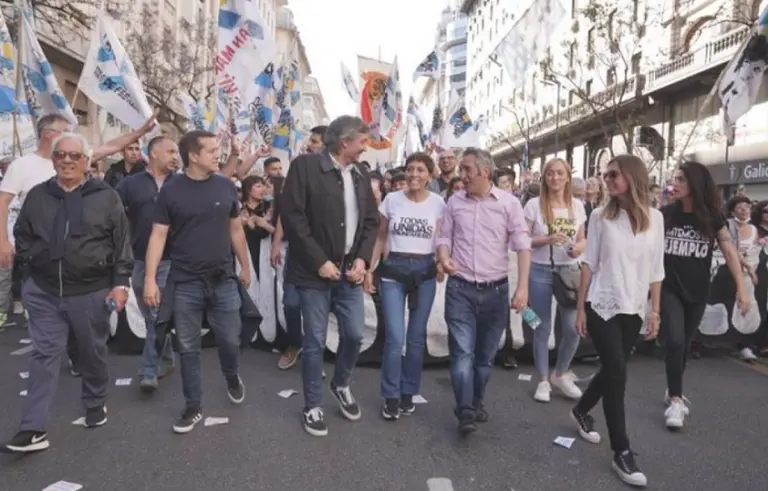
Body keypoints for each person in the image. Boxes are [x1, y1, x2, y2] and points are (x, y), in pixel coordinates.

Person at [0, 133, 133, 453]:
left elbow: (121, 242)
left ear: (87, 161)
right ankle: (32, 428)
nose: (67, 161)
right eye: (61, 154)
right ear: (54, 159)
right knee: (44, 354)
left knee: (91, 352)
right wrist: (31, 273)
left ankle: (95, 400)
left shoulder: (106, 196)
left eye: (75, 155)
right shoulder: (37, 196)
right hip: (44, 291)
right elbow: (23, 233)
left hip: (90, 291)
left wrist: (120, 282)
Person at [0, 113, 155, 374]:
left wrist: (139, 132)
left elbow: (113, 146)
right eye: (65, 130)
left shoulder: (76, 157)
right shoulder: (22, 166)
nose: (69, 160)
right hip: (39, 258)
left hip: (80, 256)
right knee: (47, 327)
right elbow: (3, 201)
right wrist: (4, 241)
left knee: (78, 318)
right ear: (49, 134)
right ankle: (47, 371)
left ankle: (78, 358)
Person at [143, 130, 251, 434]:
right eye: (213, 150)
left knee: (230, 339)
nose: (219, 154)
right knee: (188, 346)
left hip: (224, 279)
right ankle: (193, 405)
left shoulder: (226, 186)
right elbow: (158, 234)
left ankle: (231, 375)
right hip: (185, 281)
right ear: (194, 155)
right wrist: (151, 280)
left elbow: (236, 230)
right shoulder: (171, 190)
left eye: (218, 149)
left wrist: (245, 265)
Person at [280, 116, 379, 437]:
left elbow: (371, 222)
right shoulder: (305, 167)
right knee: (314, 341)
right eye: (363, 141)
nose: (367, 147)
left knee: (353, 335)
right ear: (344, 142)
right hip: (313, 274)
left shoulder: (362, 174)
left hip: (349, 272)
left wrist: (363, 259)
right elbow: (293, 218)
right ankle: (312, 405)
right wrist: (319, 260)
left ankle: (340, 383)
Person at [570, 154, 665, 487]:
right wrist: (581, 308)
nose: (607, 180)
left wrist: (655, 309)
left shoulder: (655, 218)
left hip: (634, 307)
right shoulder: (599, 216)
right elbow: (589, 262)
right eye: (605, 175)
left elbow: (656, 269)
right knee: (618, 375)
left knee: (613, 370)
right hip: (602, 304)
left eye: (613, 175)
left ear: (632, 177)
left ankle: (581, 409)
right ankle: (621, 451)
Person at [436, 148, 531, 435]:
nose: (461, 175)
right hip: (460, 289)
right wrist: (443, 256)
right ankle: (465, 410)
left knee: (484, 358)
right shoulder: (454, 202)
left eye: (466, 169)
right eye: (461, 170)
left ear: (484, 172)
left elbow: (523, 245)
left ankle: (476, 401)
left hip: (496, 292)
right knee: (462, 353)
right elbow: (444, 236)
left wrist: (522, 287)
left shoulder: (509, 204)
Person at [659, 162, 750, 432]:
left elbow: (730, 252)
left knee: (684, 343)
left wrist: (742, 290)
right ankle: (676, 400)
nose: (675, 183)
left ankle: (672, 388)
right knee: (674, 340)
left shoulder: (712, 216)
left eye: (682, 180)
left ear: (696, 184)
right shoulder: (666, 214)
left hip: (698, 290)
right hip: (669, 288)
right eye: (675, 178)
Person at [365, 152, 445, 421]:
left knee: (415, 338)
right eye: (410, 169)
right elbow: (380, 237)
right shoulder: (391, 200)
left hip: (425, 271)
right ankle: (390, 396)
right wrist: (369, 269)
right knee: (395, 337)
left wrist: (443, 262)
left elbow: (443, 239)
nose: (414, 175)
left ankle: (408, 391)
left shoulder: (438, 203)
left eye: (421, 170)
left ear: (429, 175)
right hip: (394, 271)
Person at [116, 136, 179, 393]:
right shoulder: (130, 184)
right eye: (171, 151)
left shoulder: (183, 183)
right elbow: (115, 216)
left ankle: (148, 370)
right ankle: (167, 357)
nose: (176, 156)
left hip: (171, 260)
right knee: (151, 315)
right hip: (139, 260)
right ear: (153, 153)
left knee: (155, 313)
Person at [524, 158, 586, 403]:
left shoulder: (578, 206)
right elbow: (521, 240)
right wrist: (546, 240)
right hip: (540, 271)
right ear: (544, 178)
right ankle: (542, 380)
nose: (555, 178)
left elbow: (583, 238)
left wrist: (579, 248)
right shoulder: (533, 205)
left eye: (560, 173)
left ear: (568, 177)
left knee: (573, 329)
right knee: (541, 326)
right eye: (550, 173)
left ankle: (561, 372)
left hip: (569, 272)